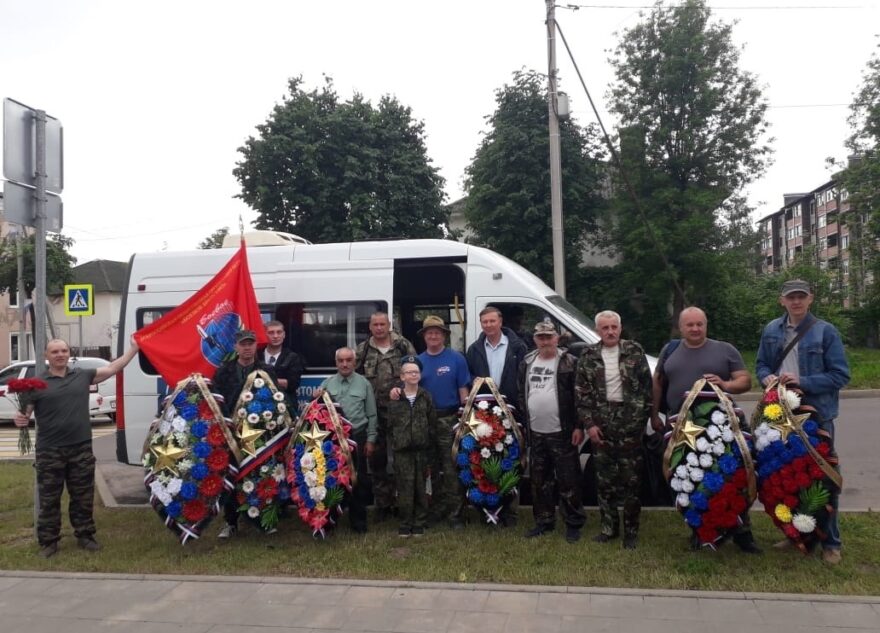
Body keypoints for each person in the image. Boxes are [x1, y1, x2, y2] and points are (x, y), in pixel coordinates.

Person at [15, 338, 140, 559]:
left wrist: (134, 349)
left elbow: (113, 367)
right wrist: (21, 419)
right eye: (55, 351)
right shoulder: (36, 383)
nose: (60, 354)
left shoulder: (82, 376)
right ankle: (49, 542)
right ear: (46, 356)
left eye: (63, 350)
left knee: (83, 496)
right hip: (49, 451)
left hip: (80, 448)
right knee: (49, 499)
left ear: (69, 354)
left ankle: (85, 536)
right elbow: (24, 414)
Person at [650, 306, 760, 554]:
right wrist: (654, 413)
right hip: (682, 428)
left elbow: (744, 380)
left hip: (719, 429)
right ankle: (701, 530)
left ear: (706, 324)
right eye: (690, 325)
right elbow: (658, 382)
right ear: (681, 327)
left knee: (730, 477)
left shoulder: (724, 349)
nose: (695, 329)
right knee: (688, 477)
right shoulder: (670, 350)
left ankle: (742, 532)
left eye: (700, 324)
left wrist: (726, 384)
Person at [756, 279, 850, 565]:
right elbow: (761, 365)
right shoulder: (772, 330)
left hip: (815, 416)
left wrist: (803, 381)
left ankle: (831, 543)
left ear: (811, 299)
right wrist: (767, 378)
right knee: (788, 478)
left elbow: (840, 375)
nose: (796, 302)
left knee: (824, 479)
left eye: (801, 297)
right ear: (781, 301)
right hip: (780, 415)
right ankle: (797, 533)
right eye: (790, 297)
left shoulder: (825, 331)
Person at [575, 311, 652, 549]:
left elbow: (647, 390)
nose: (610, 332)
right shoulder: (588, 355)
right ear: (598, 330)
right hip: (602, 425)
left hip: (630, 425)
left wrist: (640, 423)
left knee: (631, 482)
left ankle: (631, 531)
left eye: (614, 327)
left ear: (620, 328)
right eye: (605, 328)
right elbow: (581, 394)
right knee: (605, 482)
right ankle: (609, 528)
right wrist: (590, 425)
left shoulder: (634, 351)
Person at [518, 321, 586, 543]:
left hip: (563, 431)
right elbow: (522, 393)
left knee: (569, 480)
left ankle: (573, 523)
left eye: (549, 337)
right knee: (540, 480)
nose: (545, 341)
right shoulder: (527, 362)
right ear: (535, 339)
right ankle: (544, 521)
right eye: (541, 337)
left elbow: (579, 397)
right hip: (536, 431)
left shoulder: (569, 362)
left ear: (557, 338)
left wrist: (579, 426)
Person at [465, 306, 528, 527]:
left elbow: (524, 377)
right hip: (484, 414)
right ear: (481, 324)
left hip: (511, 412)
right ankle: (487, 510)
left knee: (510, 460)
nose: (489, 325)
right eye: (485, 322)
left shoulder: (518, 346)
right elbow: (469, 376)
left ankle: (509, 511)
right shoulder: (474, 350)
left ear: (500, 322)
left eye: (492, 321)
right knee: (485, 460)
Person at [212, 329, 277, 538]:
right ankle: (230, 522)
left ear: (256, 345)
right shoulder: (224, 371)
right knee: (230, 476)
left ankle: (263, 520)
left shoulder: (266, 370)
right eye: (243, 344)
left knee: (261, 475)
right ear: (236, 347)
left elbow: (277, 399)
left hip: (258, 434)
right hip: (231, 433)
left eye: (250, 343)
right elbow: (216, 402)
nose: (247, 348)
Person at [355, 311, 416, 520]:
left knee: (401, 458)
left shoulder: (403, 345)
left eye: (383, 324)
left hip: (399, 412)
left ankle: (403, 503)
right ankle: (383, 505)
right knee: (377, 460)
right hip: (375, 413)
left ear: (389, 324)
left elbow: (415, 372)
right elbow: (355, 377)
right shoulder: (363, 350)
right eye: (375, 325)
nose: (379, 328)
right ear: (370, 327)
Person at [316, 347, 378, 534]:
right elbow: (319, 413)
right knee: (331, 479)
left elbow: (372, 414)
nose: (344, 364)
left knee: (357, 480)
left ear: (354, 362)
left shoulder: (364, 384)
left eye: (348, 360)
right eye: (341, 360)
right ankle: (329, 521)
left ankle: (358, 522)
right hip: (333, 439)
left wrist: (371, 439)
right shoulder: (326, 384)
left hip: (357, 437)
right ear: (336, 363)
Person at [415, 316, 471, 524]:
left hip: (450, 419)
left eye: (437, 332)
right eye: (429, 332)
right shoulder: (418, 362)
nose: (433, 335)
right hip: (426, 421)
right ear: (424, 337)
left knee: (451, 468)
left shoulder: (456, 359)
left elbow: (463, 391)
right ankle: (436, 510)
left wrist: (464, 420)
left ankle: (455, 513)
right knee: (431, 469)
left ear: (444, 336)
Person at [387, 356, 437, 537]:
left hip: (421, 449)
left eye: (416, 372)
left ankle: (419, 522)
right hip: (402, 450)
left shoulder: (425, 396)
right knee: (404, 487)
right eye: (409, 372)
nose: (413, 375)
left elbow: (432, 422)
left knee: (421, 486)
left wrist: (428, 441)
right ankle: (405, 522)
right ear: (402, 376)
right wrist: (396, 441)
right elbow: (389, 424)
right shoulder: (395, 398)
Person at [262, 320, 304, 408]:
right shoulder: (257, 356)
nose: (275, 336)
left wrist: (262, 381)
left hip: (286, 407)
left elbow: (293, 384)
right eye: (271, 333)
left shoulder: (293, 357)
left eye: (279, 332)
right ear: (264, 334)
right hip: (260, 406)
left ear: (284, 335)